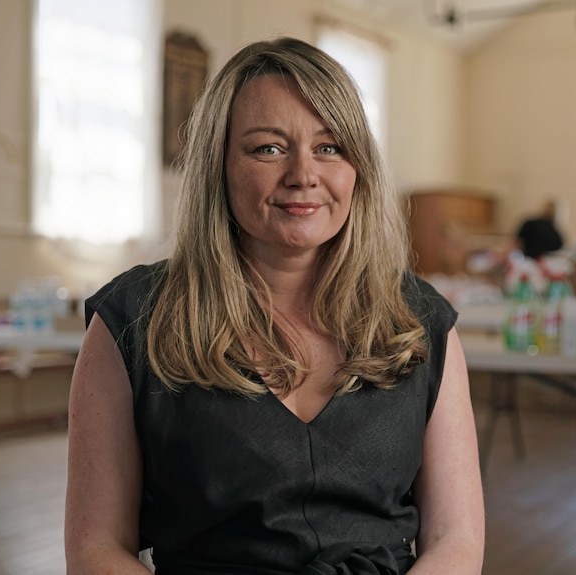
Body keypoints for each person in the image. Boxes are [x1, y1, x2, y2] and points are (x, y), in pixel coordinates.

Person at [64, 37, 485, 575]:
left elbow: (456, 539)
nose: (303, 174)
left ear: (358, 169)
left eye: (329, 147)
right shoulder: (134, 319)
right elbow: (95, 550)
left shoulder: (420, 321)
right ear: (219, 165)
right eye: (268, 148)